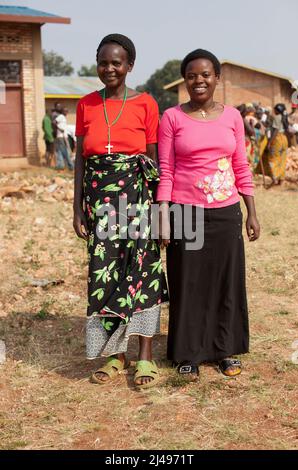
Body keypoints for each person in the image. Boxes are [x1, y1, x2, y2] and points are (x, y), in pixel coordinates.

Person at [157, 49, 260, 380]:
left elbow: (241, 165)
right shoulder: (171, 117)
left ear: (217, 78)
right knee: (188, 282)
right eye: (191, 75)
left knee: (226, 283)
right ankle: (187, 352)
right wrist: (163, 214)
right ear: (184, 80)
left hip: (226, 212)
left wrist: (251, 212)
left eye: (205, 75)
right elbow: (166, 169)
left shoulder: (232, 117)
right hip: (185, 211)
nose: (198, 81)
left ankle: (224, 349)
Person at [73, 34, 168, 389]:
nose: (109, 68)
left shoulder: (146, 103)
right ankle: (115, 354)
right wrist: (78, 208)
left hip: (138, 198)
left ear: (129, 66)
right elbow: (81, 164)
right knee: (105, 277)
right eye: (103, 62)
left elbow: (156, 162)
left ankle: (145, 357)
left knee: (143, 274)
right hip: (99, 204)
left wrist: (160, 211)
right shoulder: (85, 105)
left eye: (117, 62)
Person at [265, 103, 289, 185]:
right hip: (284, 139)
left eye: (274, 109)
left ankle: (275, 178)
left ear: (277, 110)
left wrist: (269, 142)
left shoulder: (277, 117)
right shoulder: (284, 117)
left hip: (277, 139)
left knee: (273, 158)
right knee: (282, 159)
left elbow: (275, 131)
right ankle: (281, 179)